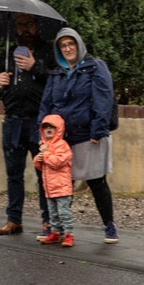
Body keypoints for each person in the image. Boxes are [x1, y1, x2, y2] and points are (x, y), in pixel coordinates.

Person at [39, 27, 119, 243]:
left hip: (89, 135)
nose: (68, 49)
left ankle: (109, 226)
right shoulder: (56, 74)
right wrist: (43, 130)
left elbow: (104, 98)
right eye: (63, 46)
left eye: (71, 44)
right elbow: (47, 103)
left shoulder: (95, 67)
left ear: (79, 45)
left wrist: (98, 129)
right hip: (61, 138)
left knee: (96, 181)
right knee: (62, 184)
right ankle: (58, 228)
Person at [0, 13, 50, 237]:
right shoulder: (6, 53)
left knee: (44, 173)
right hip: (12, 121)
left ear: (37, 26)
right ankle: (14, 219)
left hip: (39, 122)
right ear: (14, 28)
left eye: (29, 24)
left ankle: (48, 221)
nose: (24, 29)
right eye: (20, 25)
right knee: (13, 174)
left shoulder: (47, 52)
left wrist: (35, 66)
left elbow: (54, 79)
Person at [33, 114, 76, 247]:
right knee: (53, 213)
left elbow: (58, 162)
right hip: (50, 188)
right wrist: (38, 160)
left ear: (59, 129)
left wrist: (45, 154)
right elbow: (42, 166)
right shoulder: (44, 146)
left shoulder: (62, 145)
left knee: (64, 213)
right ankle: (55, 233)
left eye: (52, 127)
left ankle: (69, 234)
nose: (49, 129)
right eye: (46, 127)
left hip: (62, 187)